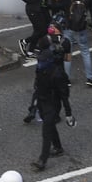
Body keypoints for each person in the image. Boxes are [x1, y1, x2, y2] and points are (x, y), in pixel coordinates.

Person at [30, 25, 74, 172]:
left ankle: (42, 159)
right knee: (49, 125)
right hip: (43, 99)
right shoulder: (41, 68)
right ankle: (58, 147)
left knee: (46, 128)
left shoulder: (58, 75)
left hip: (52, 102)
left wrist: (68, 114)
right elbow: (37, 85)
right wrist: (35, 102)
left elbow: (64, 95)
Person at [64, 0, 92, 87]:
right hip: (81, 28)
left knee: (67, 53)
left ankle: (66, 79)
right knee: (85, 52)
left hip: (69, 28)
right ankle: (90, 78)